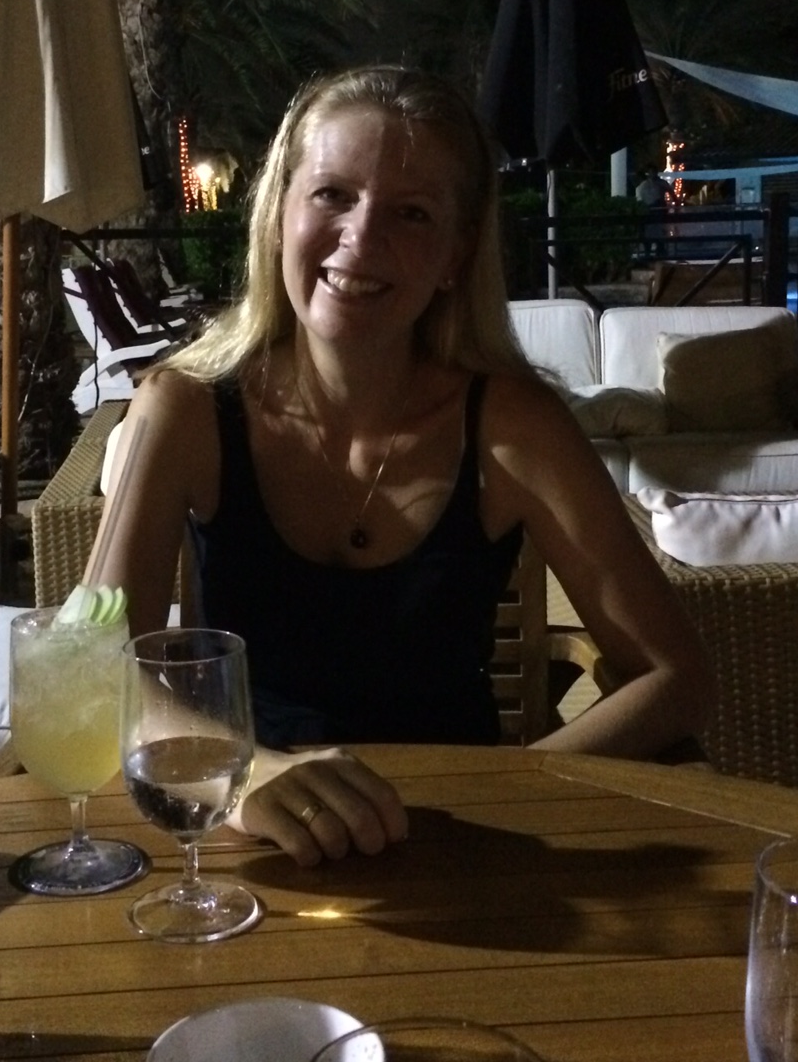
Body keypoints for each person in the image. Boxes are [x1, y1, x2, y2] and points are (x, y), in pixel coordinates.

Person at [87, 65, 713, 867]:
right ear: (278, 214)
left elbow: (676, 676)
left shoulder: (514, 424)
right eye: (332, 195)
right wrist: (239, 778)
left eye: (411, 213)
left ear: (456, 253)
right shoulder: (183, 409)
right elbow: (96, 671)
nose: (361, 237)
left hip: (461, 850)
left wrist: (513, 790)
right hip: (248, 847)